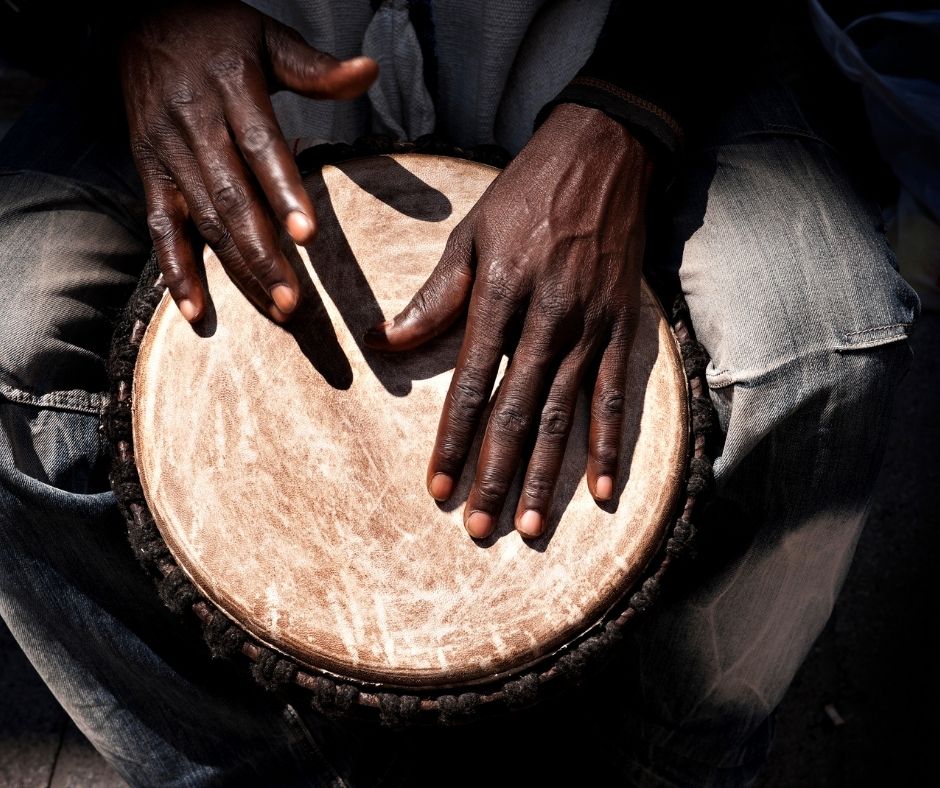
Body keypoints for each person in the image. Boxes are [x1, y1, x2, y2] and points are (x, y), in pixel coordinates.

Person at [0, 1, 920, 785]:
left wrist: (633, 106)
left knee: (822, 342)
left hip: (613, 44)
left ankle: (656, 764)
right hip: (223, 64)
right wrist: (139, 21)